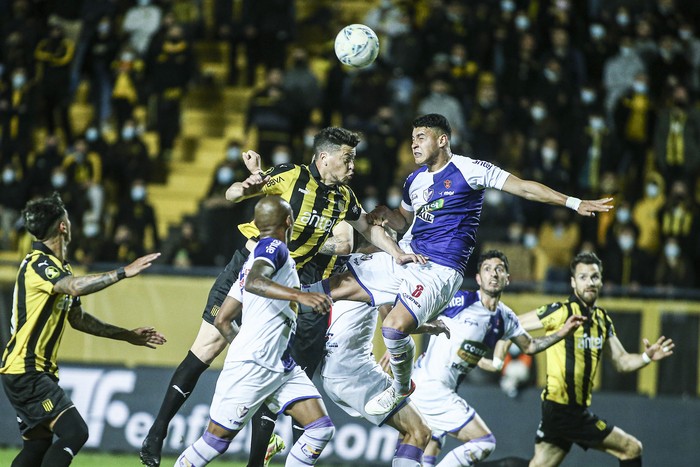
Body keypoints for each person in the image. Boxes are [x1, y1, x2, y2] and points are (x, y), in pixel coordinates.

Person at [140, 127, 421, 466]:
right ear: (323, 157)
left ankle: (253, 459)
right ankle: (157, 432)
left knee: (275, 364)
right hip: (250, 268)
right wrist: (246, 185)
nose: (352, 166)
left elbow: (369, 228)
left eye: (354, 159)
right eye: (347, 159)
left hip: (286, 283)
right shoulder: (292, 175)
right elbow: (236, 195)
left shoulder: (344, 198)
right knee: (207, 348)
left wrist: (397, 253)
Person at [304, 113, 613, 417]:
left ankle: (400, 387)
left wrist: (574, 202)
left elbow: (524, 188)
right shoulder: (414, 180)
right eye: (412, 139)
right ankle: (283, 346)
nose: (413, 144)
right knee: (326, 289)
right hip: (407, 255)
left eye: (421, 137)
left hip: (439, 268)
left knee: (393, 329)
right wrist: (386, 214)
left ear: (442, 140)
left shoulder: (469, 169)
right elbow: (404, 221)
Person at [0, 192, 166, 467]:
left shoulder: (60, 268)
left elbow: (78, 319)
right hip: (26, 370)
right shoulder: (39, 264)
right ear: (63, 226)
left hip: (31, 371)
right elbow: (74, 287)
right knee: (75, 432)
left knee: (38, 445)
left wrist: (127, 336)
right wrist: (123, 271)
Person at [176, 195, 335, 467]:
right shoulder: (276, 248)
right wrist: (300, 297)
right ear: (289, 221)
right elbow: (255, 282)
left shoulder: (252, 257)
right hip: (255, 365)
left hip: (280, 364)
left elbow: (223, 320)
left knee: (320, 428)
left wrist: (247, 344)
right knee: (215, 441)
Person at [490, 252, 675, 467]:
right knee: (631, 448)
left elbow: (622, 361)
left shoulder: (603, 320)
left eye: (595, 277)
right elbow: (513, 323)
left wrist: (646, 357)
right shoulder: (561, 312)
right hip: (563, 409)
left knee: (538, 465)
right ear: (572, 282)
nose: (590, 282)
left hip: (568, 410)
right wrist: (499, 355)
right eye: (583, 277)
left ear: (601, 281)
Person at [410, 250, 585, 467]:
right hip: (430, 386)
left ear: (507, 279)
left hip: (439, 388)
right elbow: (417, 312)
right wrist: (395, 343)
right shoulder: (460, 299)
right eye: (487, 269)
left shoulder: (505, 317)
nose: (493, 274)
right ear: (478, 278)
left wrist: (562, 333)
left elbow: (529, 345)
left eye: (499, 269)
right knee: (484, 442)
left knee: (433, 440)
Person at [320, 236, 450, 467]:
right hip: (352, 372)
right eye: (387, 236)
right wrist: (433, 326)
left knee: (408, 432)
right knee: (420, 433)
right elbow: (392, 321)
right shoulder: (374, 271)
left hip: (337, 369)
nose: (393, 243)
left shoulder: (349, 266)